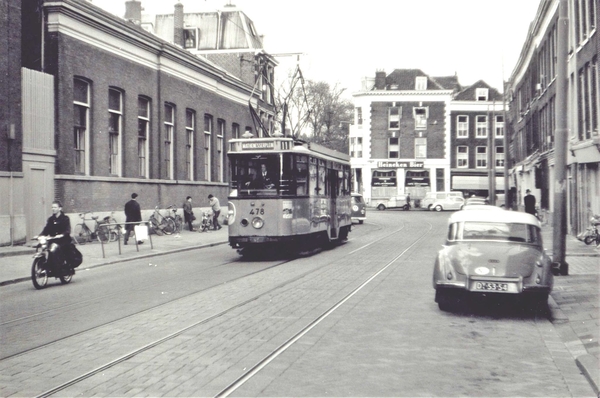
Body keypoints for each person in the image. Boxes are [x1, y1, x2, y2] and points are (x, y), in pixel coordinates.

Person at [39, 200, 72, 269]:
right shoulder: (51, 219)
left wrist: (62, 235)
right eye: (52, 207)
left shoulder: (65, 218)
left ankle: (58, 267)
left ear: (60, 208)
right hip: (53, 239)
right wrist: (40, 235)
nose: (53, 209)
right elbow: (46, 229)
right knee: (42, 247)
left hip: (63, 240)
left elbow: (67, 230)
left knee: (54, 250)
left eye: (55, 207)